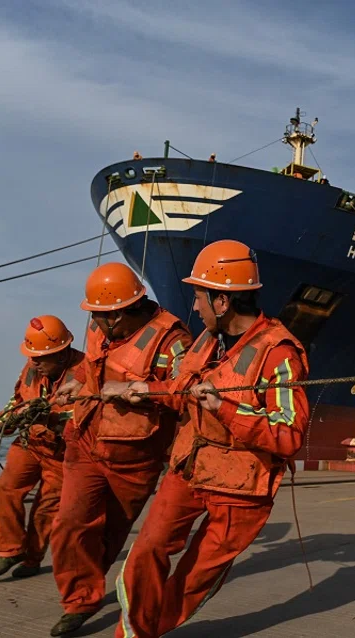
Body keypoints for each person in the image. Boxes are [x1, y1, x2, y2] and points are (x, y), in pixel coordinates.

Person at [108, 239, 310, 638]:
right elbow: (181, 385)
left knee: (195, 576)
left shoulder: (279, 353)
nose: (194, 307)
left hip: (240, 488)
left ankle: (151, 629)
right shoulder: (205, 340)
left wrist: (225, 408)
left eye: (199, 297)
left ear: (222, 302)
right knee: (146, 552)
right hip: (190, 468)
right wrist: (142, 389)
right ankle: (132, 634)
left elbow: (288, 434)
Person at [48, 262, 193, 637]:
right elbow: (91, 370)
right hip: (85, 442)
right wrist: (76, 384)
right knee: (69, 523)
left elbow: (187, 394)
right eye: (93, 316)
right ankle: (79, 601)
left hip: (135, 457)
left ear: (121, 313)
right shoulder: (101, 327)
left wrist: (145, 392)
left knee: (111, 532)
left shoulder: (172, 340)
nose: (95, 324)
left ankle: (92, 586)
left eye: (101, 317)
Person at [0, 315, 84, 580]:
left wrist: (51, 419)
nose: (34, 362)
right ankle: (10, 551)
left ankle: (32, 559)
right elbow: (16, 404)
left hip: (61, 453)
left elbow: (87, 420)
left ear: (61, 353)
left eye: (40, 357)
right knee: (5, 490)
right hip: (30, 443)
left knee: (46, 509)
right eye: (32, 356)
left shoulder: (86, 373)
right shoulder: (30, 368)